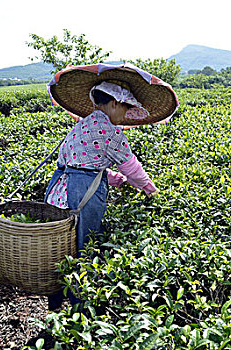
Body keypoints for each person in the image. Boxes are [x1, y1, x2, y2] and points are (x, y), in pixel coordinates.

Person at [44, 63, 178, 310]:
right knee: (82, 248)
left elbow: (85, 163)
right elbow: (132, 168)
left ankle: (54, 298)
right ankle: (79, 306)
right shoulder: (110, 132)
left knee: (59, 248)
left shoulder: (81, 125)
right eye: (126, 107)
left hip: (57, 192)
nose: (126, 114)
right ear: (115, 103)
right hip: (80, 195)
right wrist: (150, 190)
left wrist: (115, 180)